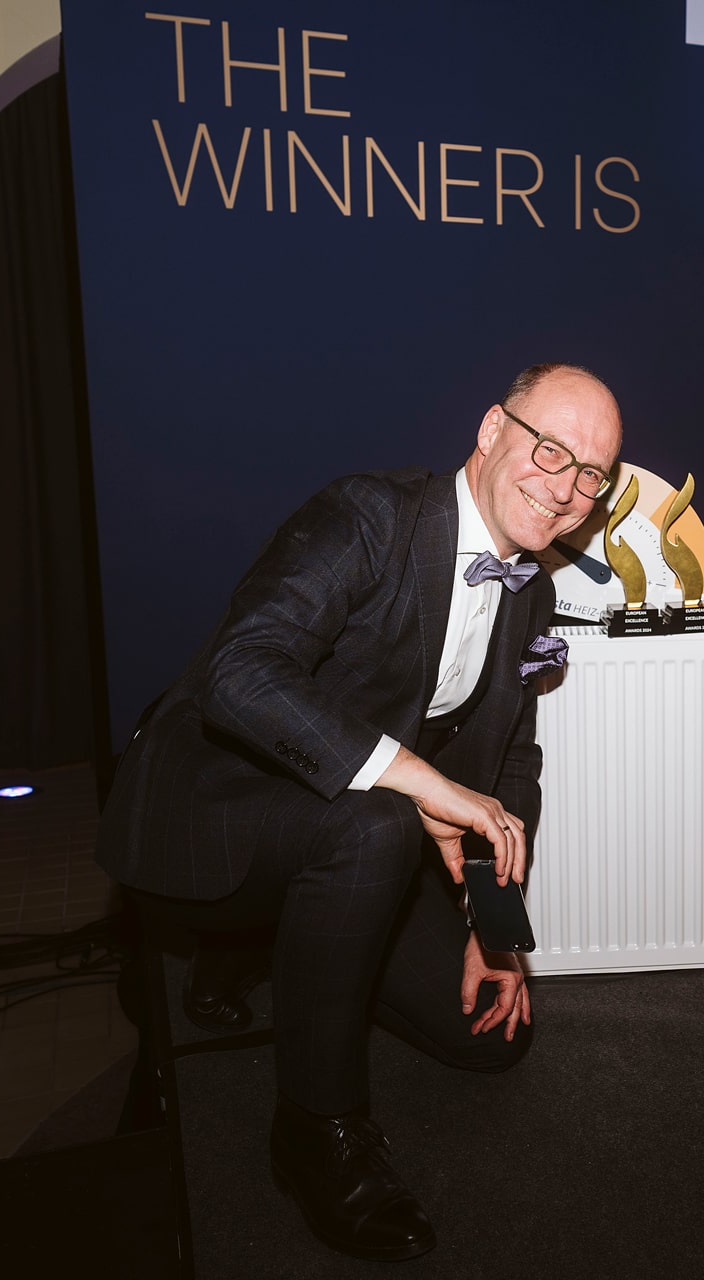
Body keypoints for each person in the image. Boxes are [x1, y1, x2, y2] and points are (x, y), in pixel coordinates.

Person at [98, 363, 622, 1261]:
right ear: (491, 430)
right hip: (210, 805)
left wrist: (493, 924)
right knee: (379, 824)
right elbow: (239, 672)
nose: (567, 486)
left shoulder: (531, 589)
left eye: (591, 474)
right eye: (550, 450)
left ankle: (291, 943)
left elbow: (512, 762)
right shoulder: (370, 515)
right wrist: (422, 782)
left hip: (344, 833)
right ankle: (314, 1130)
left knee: (492, 1042)